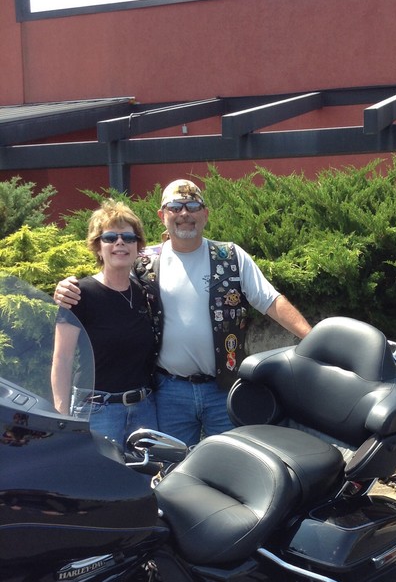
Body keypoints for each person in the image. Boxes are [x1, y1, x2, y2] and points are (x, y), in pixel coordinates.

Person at [54, 179, 311, 445]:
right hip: (169, 392)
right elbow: (109, 279)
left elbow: (270, 300)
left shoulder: (231, 257)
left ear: (205, 214)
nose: (184, 214)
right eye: (175, 207)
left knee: (228, 460)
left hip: (223, 389)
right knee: (172, 464)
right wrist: (67, 289)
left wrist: (313, 339)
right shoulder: (144, 262)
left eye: (192, 206)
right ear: (162, 215)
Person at [51, 200, 158, 446]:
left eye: (128, 237)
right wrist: (61, 416)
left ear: (138, 246)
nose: (120, 243)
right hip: (97, 412)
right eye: (110, 237)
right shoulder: (78, 294)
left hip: (144, 410)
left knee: (147, 472)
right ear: (98, 247)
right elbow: (62, 359)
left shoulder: (145, 293)